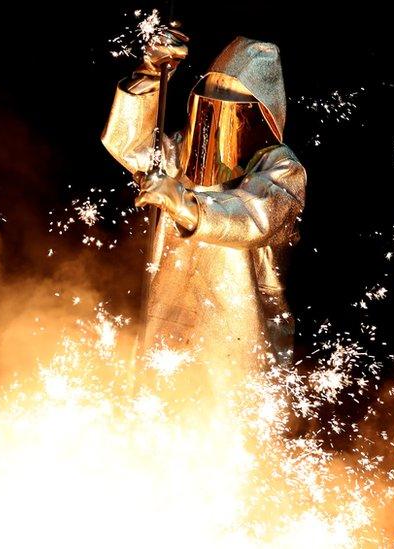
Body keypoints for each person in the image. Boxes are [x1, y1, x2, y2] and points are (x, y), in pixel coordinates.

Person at [102, 33, 306, 381]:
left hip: (239, 338)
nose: (218, 105)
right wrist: (150, 74)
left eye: (231, 97)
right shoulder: (183, 153)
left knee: (225, 429)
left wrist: (183, 202)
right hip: (168, 318)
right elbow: (130, 143)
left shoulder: (281, 170)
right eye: (212, 93)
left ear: (263, 111)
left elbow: (253, 217)